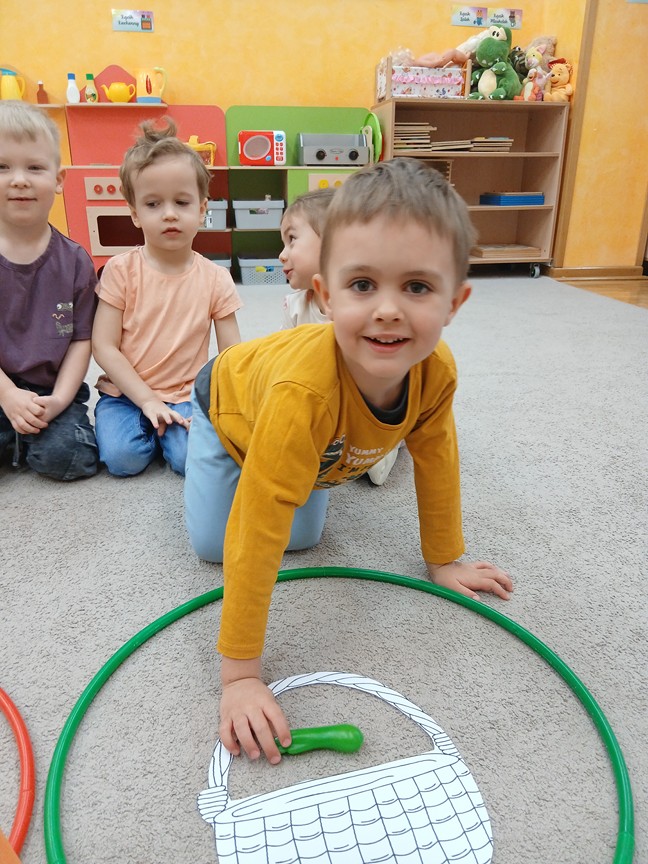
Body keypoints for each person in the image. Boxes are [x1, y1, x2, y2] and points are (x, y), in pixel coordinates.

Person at [184, 157, 513, 764]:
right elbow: (257, 525)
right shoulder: (303, 394)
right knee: (214, 544)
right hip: (226, 407)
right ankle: (195, 449)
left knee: (305, 537)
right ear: (325, 296)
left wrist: (444, 559)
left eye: (417, 287)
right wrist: (241, 675)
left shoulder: (437, 374)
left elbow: (437, 459)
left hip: (309, 444)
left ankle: (291, 460)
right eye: (363, 285)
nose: (388, 310)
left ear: (455, 302)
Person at [92, 119, 242, 477]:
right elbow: (103, 346)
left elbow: (234, 355)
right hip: (124, 395)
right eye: (153, 203)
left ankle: (168, 434)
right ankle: (149, 429)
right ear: (135, 213)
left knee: (191, 460)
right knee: (122, 460)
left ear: (202, 209)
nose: (170, 213)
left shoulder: (216, 278)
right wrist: (146, 400)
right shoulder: (120, 270)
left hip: (185, 395)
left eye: (182, 201)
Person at [0, 100, 98, 481]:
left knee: (70, 458)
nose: (19, 180)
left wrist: (58, 401)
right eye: (2, 167)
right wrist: (9, 396)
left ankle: (24, 438)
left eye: (34, 168)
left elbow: (81, 340)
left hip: (52, 390)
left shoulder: (75, 261)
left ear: (58, 180)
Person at [278, 187, 400, 486]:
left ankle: (394, 439)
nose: (281, 255)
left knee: (371, 466)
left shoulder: (366, 307)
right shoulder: (296, 306)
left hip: (366, 402)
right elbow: (283, 361)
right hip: (321, 399)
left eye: (292, 240)